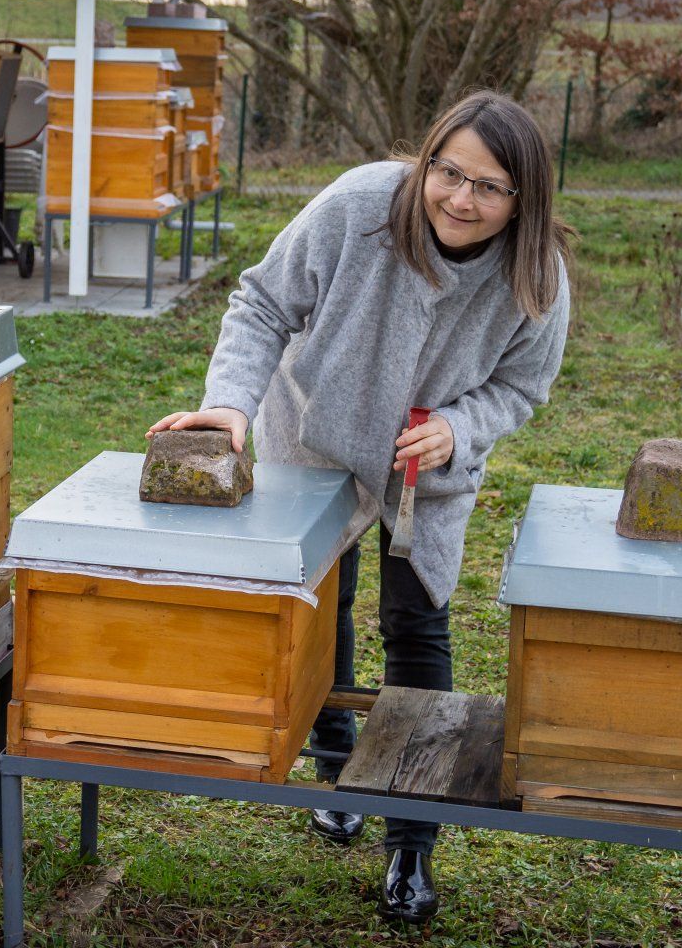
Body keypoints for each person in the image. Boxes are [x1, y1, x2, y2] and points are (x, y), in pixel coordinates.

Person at [148, 89, 572, 925]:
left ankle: (413, 835)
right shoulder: (357, 208)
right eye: (448, 173)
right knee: (326, 604)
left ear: (523, 200)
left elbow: (524, 387)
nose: (460, 198)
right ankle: (336, 769)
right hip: (316, 439)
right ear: (425, 161)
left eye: (488, 188)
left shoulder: (537, 276)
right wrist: (230, 401)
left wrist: (461, 426)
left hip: (427, 471)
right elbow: (263, 302)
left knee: (417, 625)